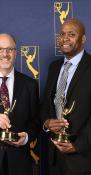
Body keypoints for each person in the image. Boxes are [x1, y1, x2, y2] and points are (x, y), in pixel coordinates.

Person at [41, 18, 91, 175]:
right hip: (54, 156)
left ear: (83, 39)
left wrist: (77, 145)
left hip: (82, 158)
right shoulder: (54, 67)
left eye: (71, 34)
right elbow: (46, 105)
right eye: (62, 34)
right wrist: (47, 122)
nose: (65, 38)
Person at [0, 33, 40, 175]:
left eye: (9, 49)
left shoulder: (30, 85)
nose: (5, 54)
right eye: (0, 49)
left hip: (19, 163)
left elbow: (36, 121)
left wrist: (26, 138)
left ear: (15, 53)